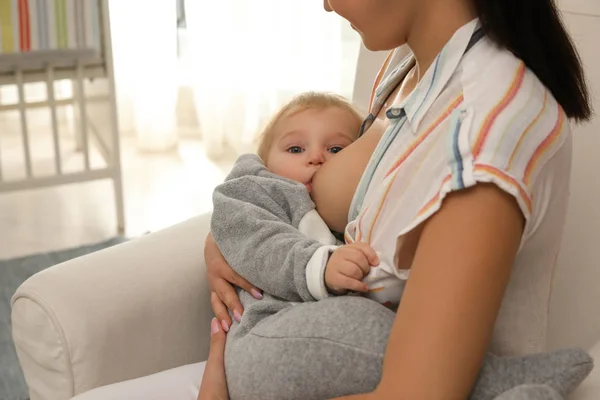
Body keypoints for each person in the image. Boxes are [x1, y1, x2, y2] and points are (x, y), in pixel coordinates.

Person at [200, 0, 592, 398]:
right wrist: (228, 242)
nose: (326, 4)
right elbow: (322, 209)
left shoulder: (483, 134)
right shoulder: (409, 63)